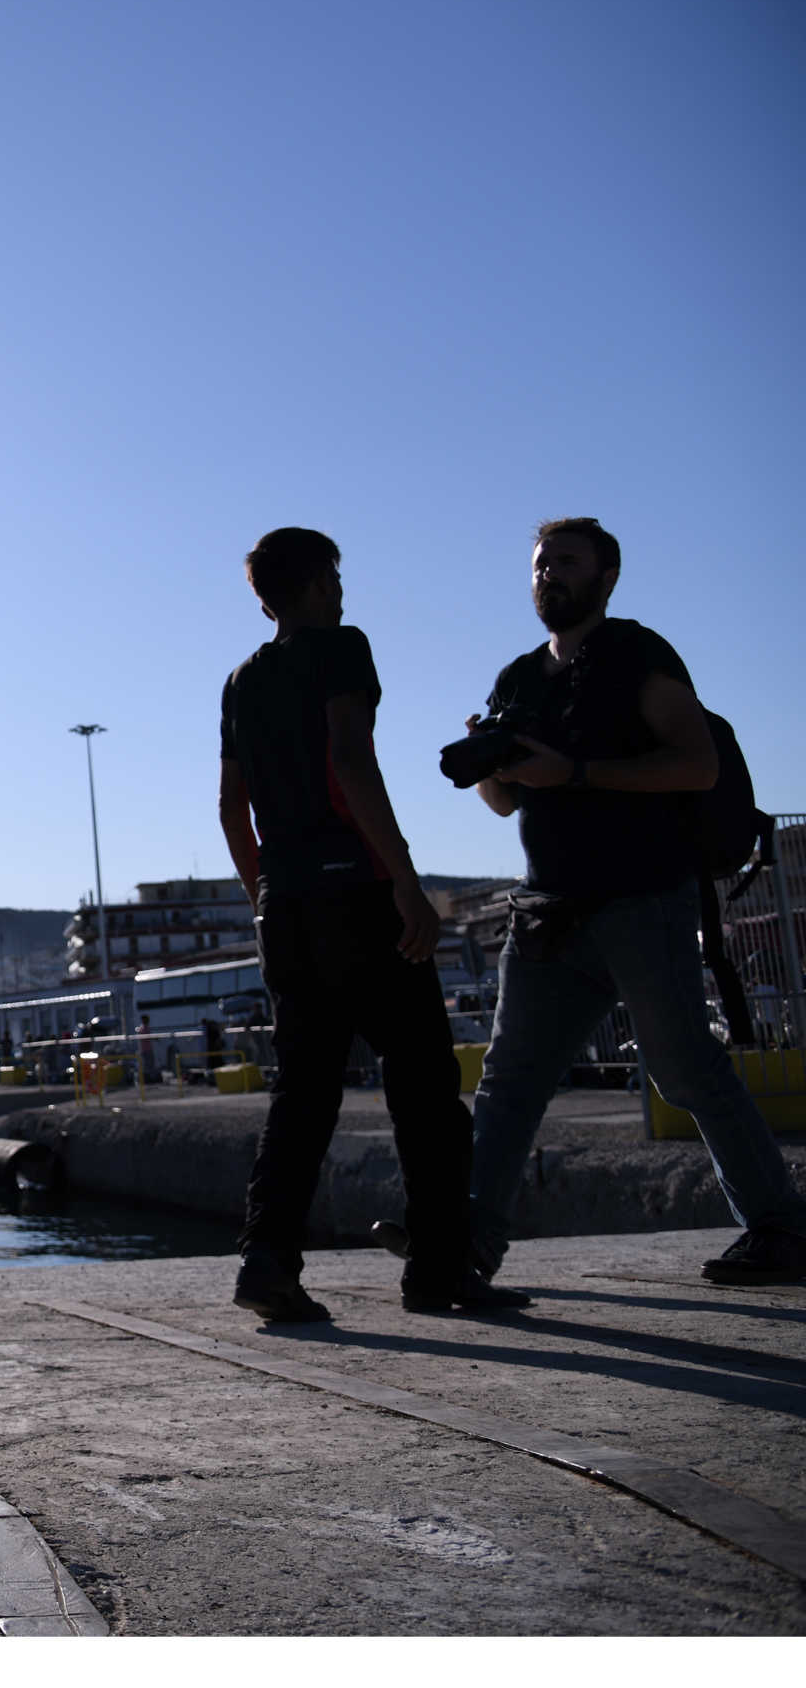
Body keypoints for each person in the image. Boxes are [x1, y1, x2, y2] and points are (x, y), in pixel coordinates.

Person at [465, 518, 806, 1285]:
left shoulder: (635, 655)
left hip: (640, 903)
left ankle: (781, 1230)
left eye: (567, 562)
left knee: (685, 1072)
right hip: (547, 912)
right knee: (510, 1083)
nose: (548, 575)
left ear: (606, 578)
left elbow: (695, 764)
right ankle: (466, 1247)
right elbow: (501, 804)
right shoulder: (519, 678)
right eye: (540, 564)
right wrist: (487, 760)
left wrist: (579, 773)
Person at [216, 530, 526, 1323]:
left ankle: (268, 1260)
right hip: (358, 894)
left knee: (303, 1095)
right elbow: (352, 763)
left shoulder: (241, 682)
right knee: (423, 1085)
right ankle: (437, 1272)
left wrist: (264, 894)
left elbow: (231, 806)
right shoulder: (342, 648)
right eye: (337, 577)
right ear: (319, 583)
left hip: (287, 909)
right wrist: (406, 884)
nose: (344, 591)